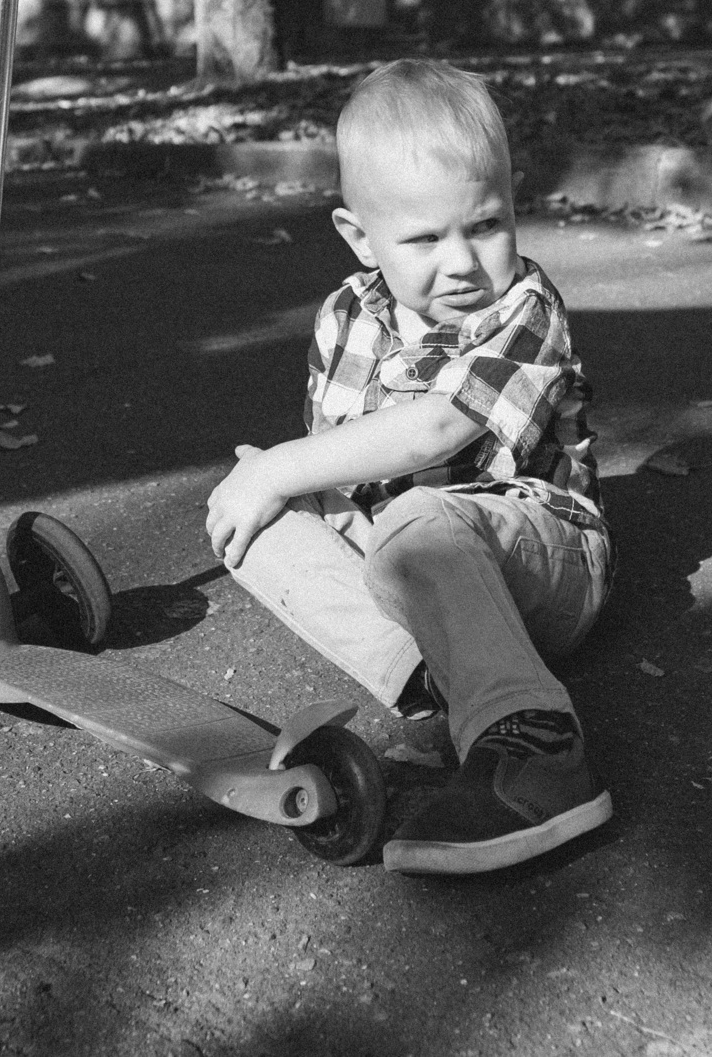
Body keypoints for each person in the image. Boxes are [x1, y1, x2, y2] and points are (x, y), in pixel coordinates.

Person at [204, 58, 612, 874]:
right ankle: (433, 680)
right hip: (414, 570)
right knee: (250, 507)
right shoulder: (347, 317)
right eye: (425, 238)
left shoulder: (525, 307)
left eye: (486, 225)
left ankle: (535, 747)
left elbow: (432, 430)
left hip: (541, 554)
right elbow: (338, 461)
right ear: (360, 237)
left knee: (414, 520)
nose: (461, 262)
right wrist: (299, 490)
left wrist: (290, 467)